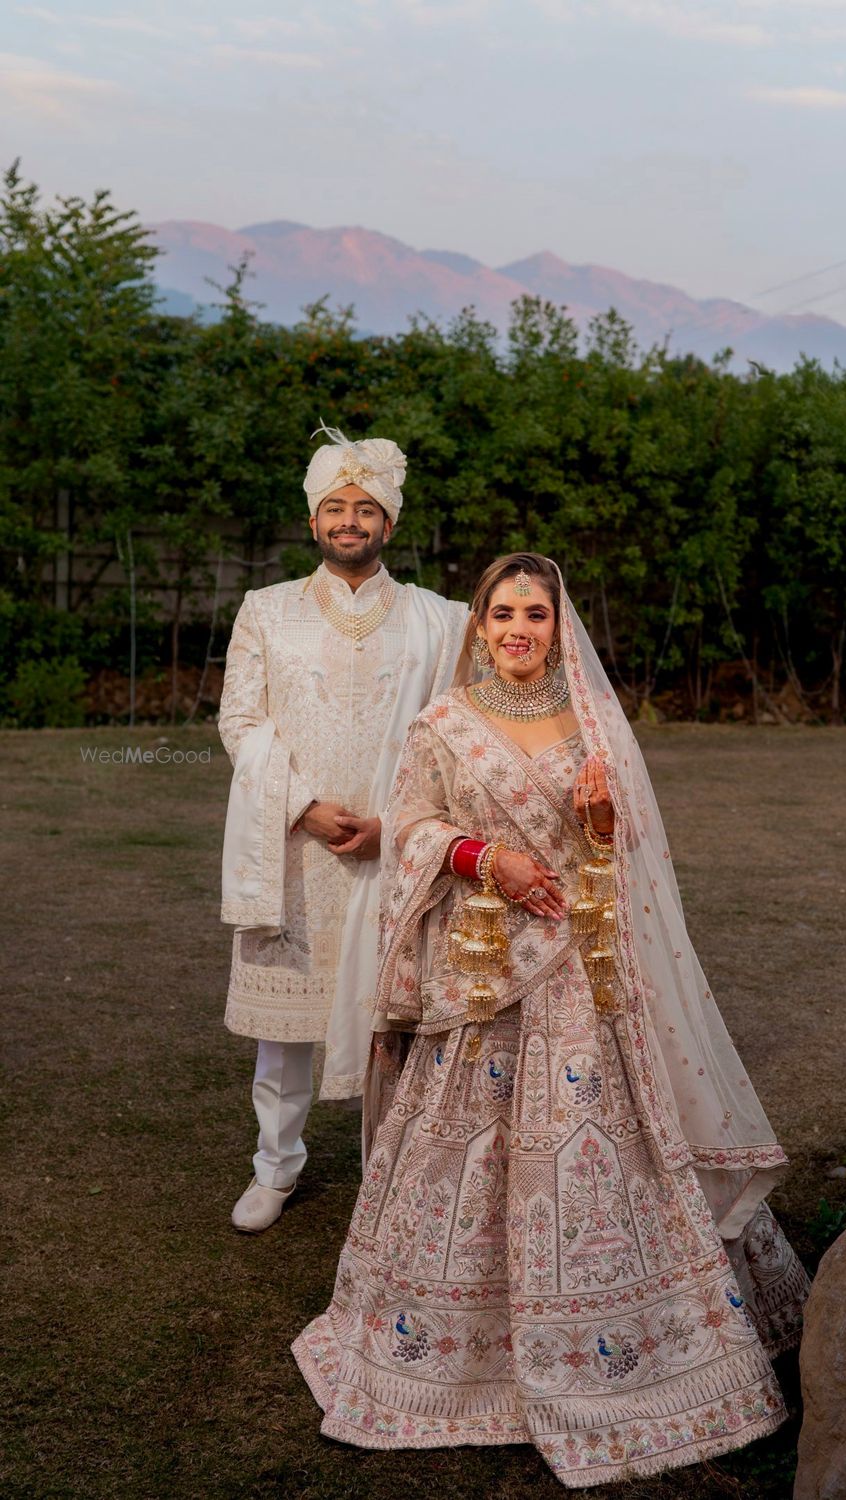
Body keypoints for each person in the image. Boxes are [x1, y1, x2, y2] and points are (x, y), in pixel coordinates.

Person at [292, 552, 810, 1487]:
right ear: (480, 626)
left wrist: (603, 819)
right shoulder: (445, 722)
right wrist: (484, 858)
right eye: (503, 613)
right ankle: (446, 1352)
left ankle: (648, 1342)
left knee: (599, 1142)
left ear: (558, 626)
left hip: (580, 967)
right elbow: (410, 828)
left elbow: (622, 852)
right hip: (484, 966)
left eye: (535, 613)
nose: (519, 629)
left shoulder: (594, 721)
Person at [218, 426, 468, 1233]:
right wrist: (306, 807)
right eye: (336, 507)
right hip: (295, 846)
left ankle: (394, 1171)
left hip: (398, 849)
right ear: (314, 519)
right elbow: (240, 721)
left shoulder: (441, 621)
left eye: (366, 508)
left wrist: (394, 825)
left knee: (400, 1024)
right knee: (282, 1031)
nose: (350, 521)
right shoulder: (267, 610)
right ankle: (276, 1167)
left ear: (390, 523)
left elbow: (456, 735)